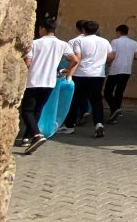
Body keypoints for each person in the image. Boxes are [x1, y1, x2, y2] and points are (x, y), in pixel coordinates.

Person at [18, 19, 78, 154]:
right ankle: (27, 137)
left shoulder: (35, 43)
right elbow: (75, 59)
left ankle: (36, 134)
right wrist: (66, 70)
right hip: (50, 82)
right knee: (38, 109)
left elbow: (28, 62)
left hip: (34, 81)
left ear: (43, 29)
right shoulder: (62, 44)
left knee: (27, 111)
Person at [60, 20, 113, 138]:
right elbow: (111, 56)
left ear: (83, 30)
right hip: (98, 75)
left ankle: (69, 125)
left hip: (81, 74)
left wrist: (69, 71)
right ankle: (99, 124)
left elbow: (77, 57)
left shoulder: (79, 40)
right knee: (96, 100)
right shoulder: (104, 41)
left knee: (75, 100)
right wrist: (102, 62)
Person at [104, 24, 137, 123]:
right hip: (127, 70)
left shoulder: (115, 41)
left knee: (107, 92)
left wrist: (107, 63)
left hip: (115, 69)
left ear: (118, 32)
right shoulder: (134, 43)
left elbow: (112, 56)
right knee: (119, 92)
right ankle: (115, 111)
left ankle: (115, 109)